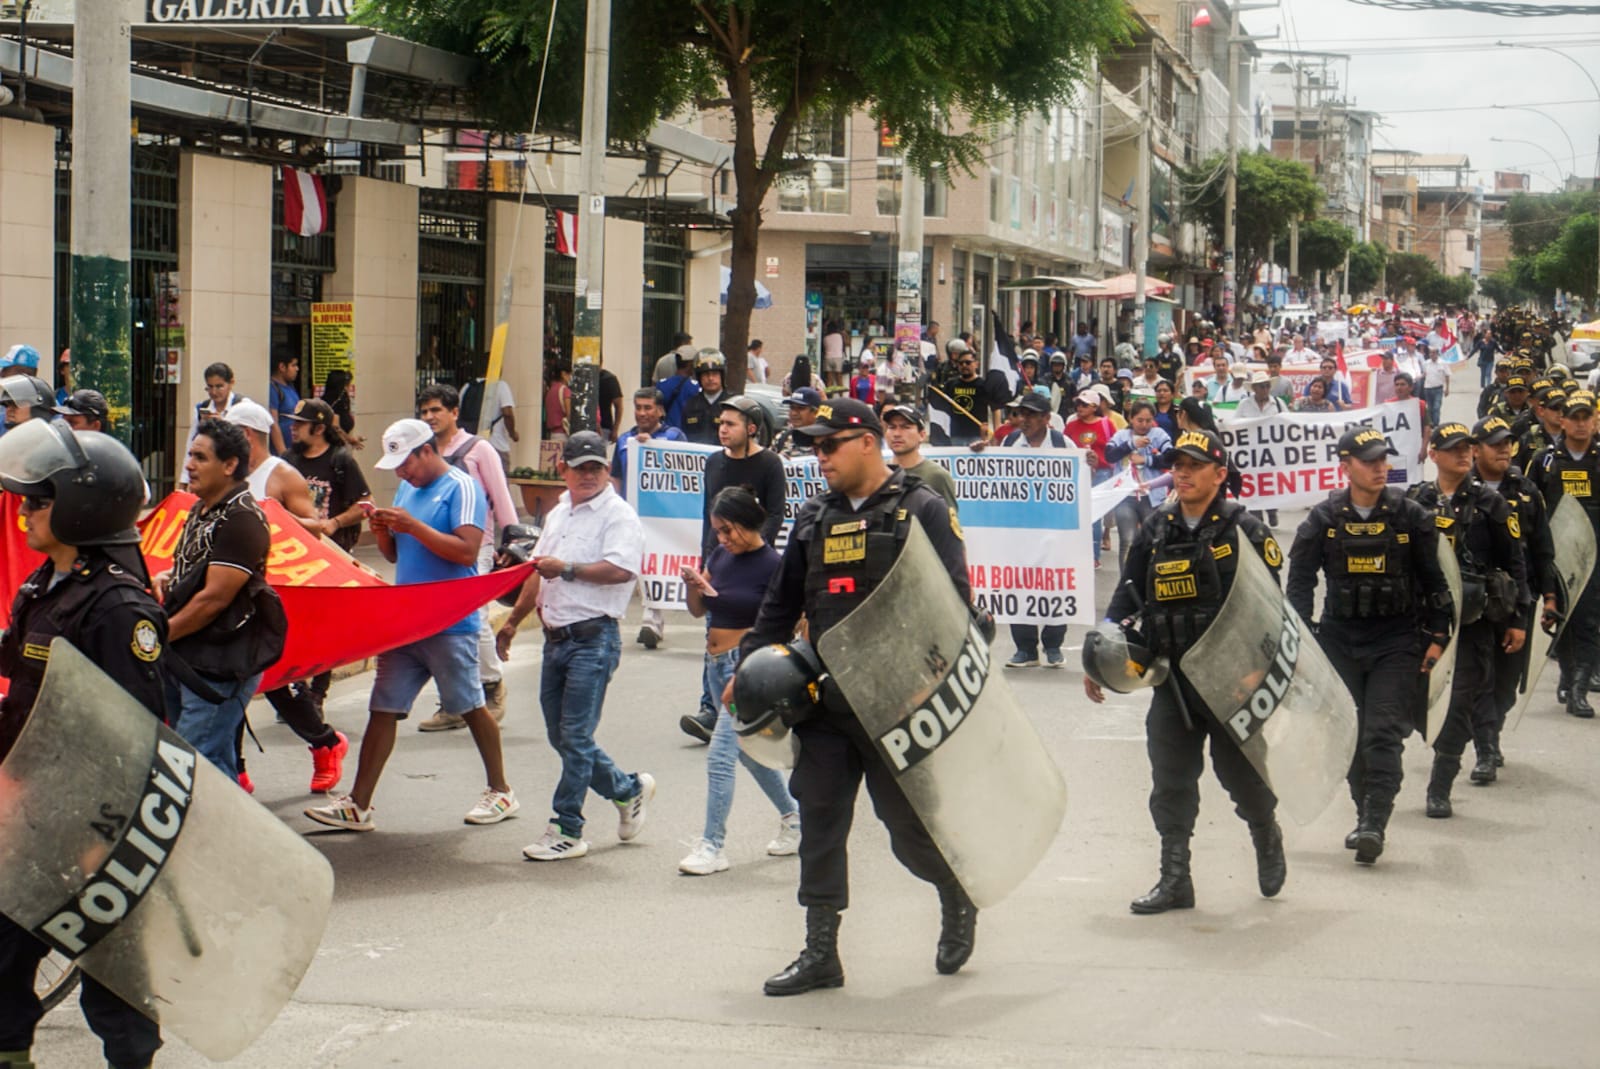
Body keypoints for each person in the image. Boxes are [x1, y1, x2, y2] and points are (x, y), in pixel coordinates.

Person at [726, 399, 978, 995]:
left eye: (830, 445)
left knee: (908, 828)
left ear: (866, 442)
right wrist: (747, 666)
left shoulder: (923, 508)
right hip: (827, 703)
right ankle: (821, 952)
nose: (821, 457)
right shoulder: (814, 517)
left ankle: (954, 891)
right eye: (814, 447)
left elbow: (957, 608)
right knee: (820, 824)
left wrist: (931, 686)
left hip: (897, 705)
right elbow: (780, 605)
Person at [0, 420, 167, 1069]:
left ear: (82, 508)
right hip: (32, 811)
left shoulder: (120, 607)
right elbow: (24, 676)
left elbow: (136, 728)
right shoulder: (46, 587)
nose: (25, 509)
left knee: (112, 975)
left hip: (92, 825)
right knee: (5, 957)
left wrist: (107, 836)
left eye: (39, 499)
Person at [1086, 427, 1285, 913]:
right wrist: (1102, 654)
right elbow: (1128, 594)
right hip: (1172, 681)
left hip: (1232, 685)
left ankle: (1265, 832)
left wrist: (1257, 673)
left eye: (1195, 465)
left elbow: (1273, 612)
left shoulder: (1246, 531)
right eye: (1178, 464)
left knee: (1242, 781)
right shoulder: (1157, 528)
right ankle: (1175, 879)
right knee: (1170, 783)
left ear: (1220, 474)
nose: (1183, 472)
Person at [305, 419, 518, 832]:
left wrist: (412, 526)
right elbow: (398, 554)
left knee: (470, 705)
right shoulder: (407, 489)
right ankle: (359, 803)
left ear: (426, 450)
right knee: (382, 708)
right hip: (408, 619)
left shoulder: (461, 486)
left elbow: (467, 552)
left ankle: (501, 789)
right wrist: (383, 530)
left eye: (406, 463)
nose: (401, 472)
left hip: (449, 619)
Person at [1287, 427, 1453, 865]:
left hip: (1396, 640)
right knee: (1351, 736)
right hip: (1339, 641)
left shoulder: (1410, 516)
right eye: (1370, 461)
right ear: (1346, 467)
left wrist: (1438, 637)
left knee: (1382, 733)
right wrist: (1303, 641)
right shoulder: (1322, 520)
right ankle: (1364, 815)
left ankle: (1375, 821)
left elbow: (1436, 581)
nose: (1381, 468)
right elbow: (1299, 585)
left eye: (1384, 460)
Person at [495, 431, 654, 860]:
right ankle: (626, 788)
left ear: (606, 470)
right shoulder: (560, 512)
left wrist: (565, 569)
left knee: (576, 736)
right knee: (560, 735)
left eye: (595, 468)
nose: (587, 475)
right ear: (562, 469)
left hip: (593, 638)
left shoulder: (618, 516)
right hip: (555, 639)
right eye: (579, 467)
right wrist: (511, 624)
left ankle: (567, 826)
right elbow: (536, 573)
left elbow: (621, 571)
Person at [1405, 423, 1528, 820]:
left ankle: (1440, 784)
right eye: (1453, 448)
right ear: (1434, 454)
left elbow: (1514, 563)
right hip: (1426, 620)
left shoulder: (1492, 506)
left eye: (1467, 448)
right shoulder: (1416, 502)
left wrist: (1517, 618)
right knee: (1418, 700)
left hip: (1474, 623)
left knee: (1459, 703)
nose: (1463, 454)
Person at [226, 399, 348, 794]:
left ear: (245, 436)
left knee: (277, 683)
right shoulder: (225, 473)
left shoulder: (282, 476)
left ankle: (325, 742)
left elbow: (315, 527)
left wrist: (273, 515)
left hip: (270, 596)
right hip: (227, 591)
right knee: (224, 680)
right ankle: (235, 770)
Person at [677, 487, 800, 875]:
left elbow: (788, 620)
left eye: (729, 530)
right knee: (748, 752)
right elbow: (698, 611)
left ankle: (713, 845)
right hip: (715, 665)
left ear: (750, 524)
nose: (723, 539)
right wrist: (695, 586)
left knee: (720, 757)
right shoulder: (720, 557)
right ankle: (794, 819)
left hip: (745, 668)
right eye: (718, 532)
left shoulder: (772, 565)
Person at [156, 418, 274, 781]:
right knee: (212, 767)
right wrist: (169, 580)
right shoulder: (201, 509)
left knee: (186, 766)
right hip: (188, 658)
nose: (189, 465)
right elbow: (197, 577)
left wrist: (158, 638)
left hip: (219, 664)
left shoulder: (241, 519)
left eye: (200, 458)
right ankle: (234, 835)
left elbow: (214, 599)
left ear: (229, 466)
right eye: (190, 455)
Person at [683, 396, 787, 741]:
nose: (723, 430)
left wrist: (753, 545)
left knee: (747, 638)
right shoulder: (713, 463)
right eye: (721, 424)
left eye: (731, 424)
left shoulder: (770, 464)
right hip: (718, 562)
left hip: (753, 563)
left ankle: (747, 702)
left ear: (752, 428)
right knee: (713, 631)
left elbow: (775, 512)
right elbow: (706, 515)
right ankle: (710, 708)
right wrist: (707, 555)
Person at [416, 383, 520, 728]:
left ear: (454, 413)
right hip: (434, 547)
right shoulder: (424, 451)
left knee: (473, 618)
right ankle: (453, 702)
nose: (430, 417)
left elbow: (501, 500)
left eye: (436, 411)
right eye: (425, 411)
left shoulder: (479, 450)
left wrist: (513, 545)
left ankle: (491, 685)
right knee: (443, 626)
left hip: (479, 545)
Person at [1473, 414, 1557, 773]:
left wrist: (1551, 597)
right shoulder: (1458, 491)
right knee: (1478, 677)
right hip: (1474, 602)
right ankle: (1486, 749)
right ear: (1475, 450)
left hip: (1517, 599)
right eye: (1495, 444)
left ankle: (1492, 731)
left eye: (1507, 442)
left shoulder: (1526, 492)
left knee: (1507, 681)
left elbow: (1542, 550)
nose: (1504, 449)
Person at [973, 393, 1070, 667]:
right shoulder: (1010, 442)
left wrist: (1088, 462)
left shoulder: (1063, 444)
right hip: (1019, 529)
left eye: (1030, 414)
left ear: (1046, 419)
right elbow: (996, 475)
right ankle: (1025, 649)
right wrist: (983, 453)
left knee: (1053, 585)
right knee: (1019, 583)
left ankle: (1053, 646)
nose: (1023, 420)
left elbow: (1079, 477)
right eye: (1021, 414)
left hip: (1054, 529)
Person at [1528, 389, 1600, 719]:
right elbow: (1529, 507)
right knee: (1564, 621)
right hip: (1557, 555)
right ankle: (1568, 677)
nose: (1582, 424)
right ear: (1563, 421)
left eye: (1587, 417)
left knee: (1589, 621)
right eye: (1575, 418)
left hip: (1594, 554)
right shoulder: (1544, 459)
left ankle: (1579, 689)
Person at [1104, 400, 1173, 571]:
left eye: (1148, 420)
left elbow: (1171, 458)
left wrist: (1147, 459)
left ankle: (1151, 580)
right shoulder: (1121, 436)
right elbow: (1110, 455)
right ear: (1131, 418)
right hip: (1125, 496)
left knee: (1154, 540)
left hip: (1153, 497)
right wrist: (1132, 444)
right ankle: (1126, 583)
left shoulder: (1158, 434)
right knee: (1127, 540)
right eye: (1140, 420)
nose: (1144, 425)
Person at [1065, 390, 1117, 568]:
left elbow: (1114, 448)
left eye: (1084, 404)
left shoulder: (1106, 424)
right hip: (1077, 473)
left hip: (1100, 473)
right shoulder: (1071, 426)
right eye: (1078, 403)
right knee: (1076, 514)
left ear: (1095, 407)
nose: (1080, 407)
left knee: (1094, 515)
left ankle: (1093, 556)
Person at [882, 403, 957, 508]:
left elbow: (948, 520)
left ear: (921, 435)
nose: (897, 434)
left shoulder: (937, 476)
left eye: (905, 427)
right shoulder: (878, 473)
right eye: (892, 427)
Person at [182, 362, 247, 482]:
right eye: (210, 387)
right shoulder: (201, 408)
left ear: (231, 383)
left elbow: (246, 441)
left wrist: (223, 423)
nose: (214, 392)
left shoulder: (242, 406)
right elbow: (190, 446)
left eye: (219, 386)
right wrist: (184, 481)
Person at [460, 363, 520, 462]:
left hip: (470, 446)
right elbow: (507, 413)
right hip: (495, 444)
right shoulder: (500, 385)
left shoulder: (466, 387)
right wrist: (513, 433)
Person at [682, 349, 730, 445]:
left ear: (722, 376)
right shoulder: (690, 404)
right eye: (705, 374)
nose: (710, 378)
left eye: (715, 374)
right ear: (699, 378)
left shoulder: (731, 404)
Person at [656, 349, 700, 432]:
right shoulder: (695, 387)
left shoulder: (661, 385)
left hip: (666, 432)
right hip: (687, 433)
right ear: (690, 364)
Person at [771, 387, 822, 458]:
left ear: (815, 412)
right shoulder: (782, 438)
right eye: (792, 408)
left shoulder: (825, 439)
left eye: (800, 408)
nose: (794, 413)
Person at [268, 349, 301, 456]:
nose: (297, 369)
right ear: (282, 367)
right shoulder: (273, 389)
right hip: (281, 453)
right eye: (293, 365)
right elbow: (273, 424)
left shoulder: (290, 387)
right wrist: (283, 453)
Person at [322, 368, 364, 448]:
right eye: (347, 385)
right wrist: (350, 440)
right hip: (334, 447)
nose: (349, 388)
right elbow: (335, 427)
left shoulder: (342, 400)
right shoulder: (335, 401)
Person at [1419, 343, 1448, 428]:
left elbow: (1447, 375)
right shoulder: (1426, 363)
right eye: (1430, 353)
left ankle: (1436, 424)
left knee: (1436, 407)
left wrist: (1447, 388)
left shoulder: (1443, 363)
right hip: (1428, 388)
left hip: (1438, 389)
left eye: (1434, 353)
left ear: (1437, 353)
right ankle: (1431, 423)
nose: (1432, 354)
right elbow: (1424, 374)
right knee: (1430, 408)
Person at [544, 359, 573, 442]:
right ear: (563, 374)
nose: (570, 377)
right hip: (564, 435)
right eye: (569, 374)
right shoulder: (565, 391)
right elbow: (569, 414)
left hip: (552, 435)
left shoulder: (550, 391)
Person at [821, 320, 847, 388]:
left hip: (828, 358)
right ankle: (841, 396)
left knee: (829, 380)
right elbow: (845, 344)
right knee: (839, 379)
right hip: (838, 358)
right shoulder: (839, 336)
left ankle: (829, 396)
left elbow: (824, 348)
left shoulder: (825, 338)